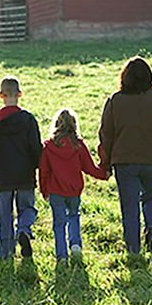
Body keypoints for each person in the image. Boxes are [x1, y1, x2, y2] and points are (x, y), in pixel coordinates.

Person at [98, 56, 152, 256]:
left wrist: (105, 163)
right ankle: (150, 227)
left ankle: (134, 251)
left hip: (124, 162)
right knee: (151, 196)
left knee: (130, 207)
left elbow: (106, 134)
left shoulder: (115, 101)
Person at [0, 77, 42, 259]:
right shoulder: (28, 120)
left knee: (4, 216)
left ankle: (6, 252)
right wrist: (37, 165)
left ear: (1, 95)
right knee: (28, 208)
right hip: (25, 174)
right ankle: (23, 229)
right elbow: (35, 148)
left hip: (3, 175)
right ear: (20, 94)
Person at [39, 108, 108, 263]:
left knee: (58, 224)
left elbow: (43, 172)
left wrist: (44, 191)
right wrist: (104, 175)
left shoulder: (48, 147)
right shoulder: (78, 145)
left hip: (55, 191)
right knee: (74, 216)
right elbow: (90, 168)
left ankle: (61, 255)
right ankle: (75, 244)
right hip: (74, 190)